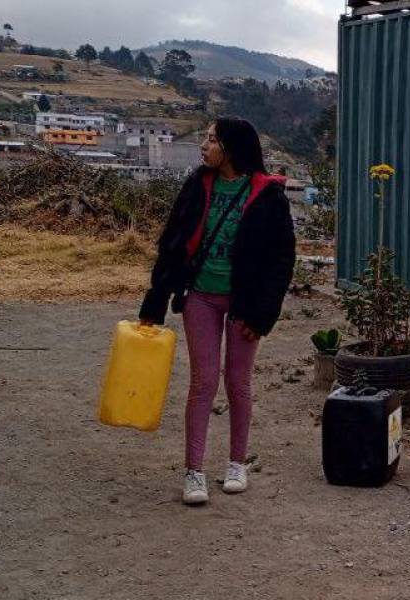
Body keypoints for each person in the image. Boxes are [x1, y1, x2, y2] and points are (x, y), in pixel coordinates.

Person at [139, 116, 296, 505]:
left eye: (211, 140)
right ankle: (194, 472)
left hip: (245, 303)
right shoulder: (197, 185)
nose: (204, 146)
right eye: (206, 139)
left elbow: (281, 261)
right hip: (202, 297)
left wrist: (262, 316)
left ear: (231, 148)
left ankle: (236, 464)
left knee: (238, 383)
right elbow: (172, 243)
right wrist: (155, 303)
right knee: (203, 383)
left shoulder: (268, 195)